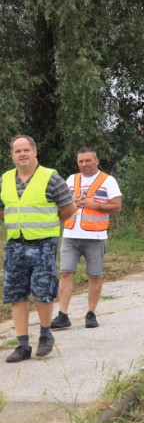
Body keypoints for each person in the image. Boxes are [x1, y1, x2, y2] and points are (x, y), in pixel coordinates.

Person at [1, 135, 76, 362]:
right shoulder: (5, 179)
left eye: (26, 150)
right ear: (12, 155)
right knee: (16, 294)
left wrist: (50, 225)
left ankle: (45, 335)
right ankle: (23, 345)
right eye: (17, 151)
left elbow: (69, 208)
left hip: (43, 244)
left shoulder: (50, 178)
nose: (22, 154)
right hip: (15, 244)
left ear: (35, 152)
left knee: (42, 292)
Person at [51, 148, 122, 330]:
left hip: (95, 236)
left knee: (94, 276)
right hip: (70, 235)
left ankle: (91, 313)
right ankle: (63, 314)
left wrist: (95, 205)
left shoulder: (108, 180)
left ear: (96, 161)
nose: (84, 165)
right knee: (65, 273)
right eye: (81, 161)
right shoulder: (71, 179)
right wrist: (70, 203)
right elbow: (60, 203)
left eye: (88, 161)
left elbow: (117, 206)